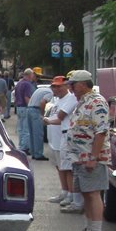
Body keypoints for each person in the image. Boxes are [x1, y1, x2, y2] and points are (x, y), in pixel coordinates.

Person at [63, 70, 110, 231]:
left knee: (93, 193)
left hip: (91, 158)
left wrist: (93, 157)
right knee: (86, 194)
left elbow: (101, 131)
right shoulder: (83, 103)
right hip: (79, 157)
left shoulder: (97, 102)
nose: (71, 88)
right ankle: (90, 230)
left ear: (83, 84)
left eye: (73, 85)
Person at [43, 75, 80, 208]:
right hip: (55, 138)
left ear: (66, 86)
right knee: (60, 166)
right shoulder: (57, 100)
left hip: (64, 136)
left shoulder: (70, 99)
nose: (55, 89)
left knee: (67, 168)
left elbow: (60, 117)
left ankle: (71, 194)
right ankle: (64, 191)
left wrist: (47, 120)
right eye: (54, 86)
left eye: (59, 86)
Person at [25, 76, 52, 160]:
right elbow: (43, 102)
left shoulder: (40, 89)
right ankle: (38, 154)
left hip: (29, 109)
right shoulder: (50, 93)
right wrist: (42, 114)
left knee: (32, 133)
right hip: (36, 110)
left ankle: (33, 153)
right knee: (38, 134)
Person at [13, 69, 36, 154]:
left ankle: (20, 145)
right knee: (26, 130)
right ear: (29, 75)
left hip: (19, 107)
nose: (33, 77)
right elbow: (27, 97)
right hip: (25, 107)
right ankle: (25, 148)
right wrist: (30, 106)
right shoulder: (27, 84)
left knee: (20, 128)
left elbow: (15, 95)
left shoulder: (19, 83)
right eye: (32, 75)